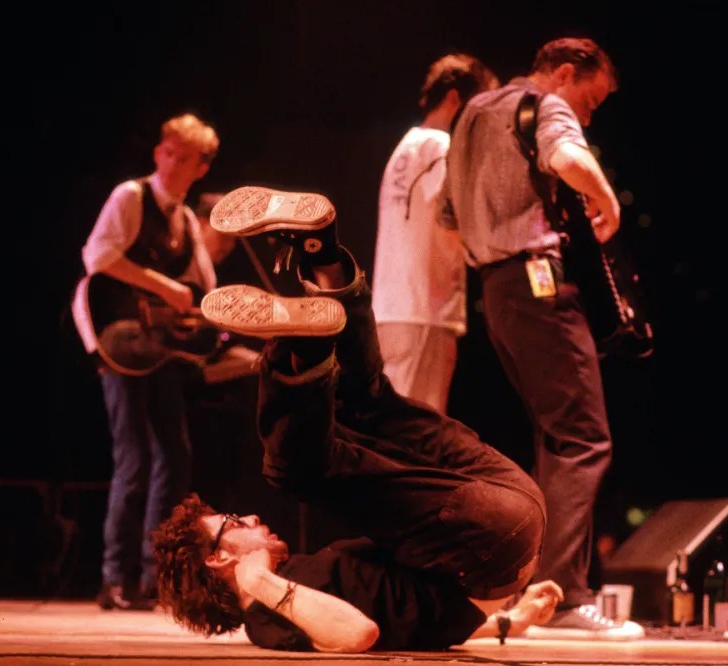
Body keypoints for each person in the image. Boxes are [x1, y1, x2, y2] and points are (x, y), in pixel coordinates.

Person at [152, 185, 562, 652]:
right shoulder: (265, 618)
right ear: (219, 559)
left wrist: (511, 622)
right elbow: (358, 633)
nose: (249, 516)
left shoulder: (296, 594)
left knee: (363, 406)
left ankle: (322, 257)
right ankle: (299, 346)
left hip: (496, 517)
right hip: (488, 537)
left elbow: (409, 616)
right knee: (295, 468)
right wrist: (257, 582)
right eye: (232, 521)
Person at [439, 37, 644, 639]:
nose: (588, 115)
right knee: (583, 438)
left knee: (555, 440)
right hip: (536, 281)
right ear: (563, 74)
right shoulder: (544, 104)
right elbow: (568, 156)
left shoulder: (470, 114)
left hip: (496, 292)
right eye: (590, 100)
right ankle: (565, 597)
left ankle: (535, 590)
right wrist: (606, 199)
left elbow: (446, 215)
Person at [71, 112, 220, 610]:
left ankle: (158, 579)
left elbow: (205, 286)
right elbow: (98, 257)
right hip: (119, 338)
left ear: (201, 168)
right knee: (133, 457)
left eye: (185, 158)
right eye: (168, 153)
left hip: (157, 348)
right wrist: (166, 287)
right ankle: (116, 578)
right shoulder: (130, 196)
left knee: (174, 457)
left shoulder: (185, 219)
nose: (173, 164)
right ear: (158, 153)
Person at [371, 54, 498, 412]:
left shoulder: (405, 148)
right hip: (425, 307)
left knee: (396, 418)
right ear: (455, 98)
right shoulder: (440, 148)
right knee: (418, 425)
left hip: (393, 309)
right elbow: (454, 216)